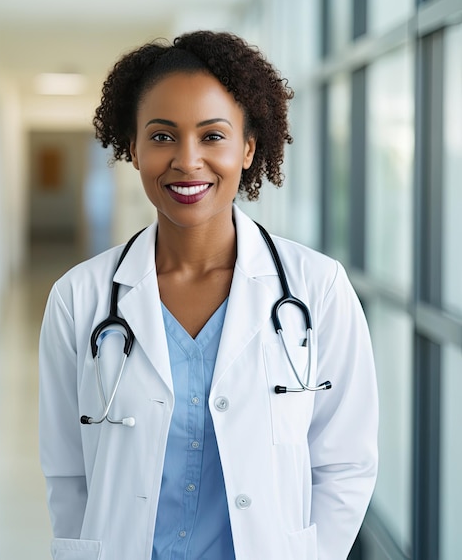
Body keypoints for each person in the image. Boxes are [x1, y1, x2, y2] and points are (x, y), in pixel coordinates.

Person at [39, 30, 378, 560]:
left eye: (213, 136)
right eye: (162, 136)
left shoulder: (319, 289)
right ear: (131, 147)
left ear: (248, 147)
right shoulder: (77, 300)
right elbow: (67, 472)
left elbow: (345, 464)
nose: (187, 161)